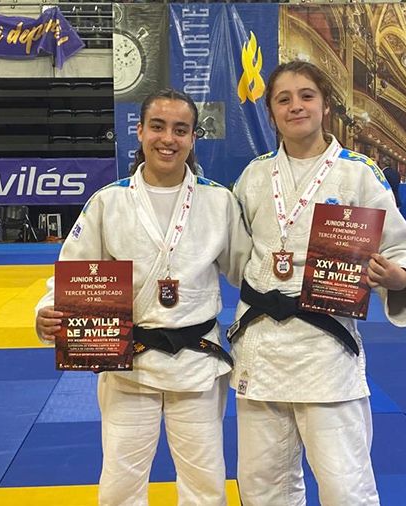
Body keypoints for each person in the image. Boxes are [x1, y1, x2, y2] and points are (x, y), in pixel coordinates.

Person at [35, 89, 250, 505]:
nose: (168, 138)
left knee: (206, 484)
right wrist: (47, 312)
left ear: (193, 138)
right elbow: (73, 272)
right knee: (120, 484)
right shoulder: (108, 201)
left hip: (197, 362)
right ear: (140, 131)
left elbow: (248, 271)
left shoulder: (218, 201)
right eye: (158, 126)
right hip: (129, 362)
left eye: (180, 130)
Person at [230, 60, 406, 506]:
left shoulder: (358, 173)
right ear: (271, 113)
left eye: (306, 96)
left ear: (326, 106)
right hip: (260, 346)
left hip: (325, 347)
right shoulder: (254, 175)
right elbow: (233, 253)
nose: (295, 106)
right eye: (283, 99)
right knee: (262, 485)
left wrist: (396, 277)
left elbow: (399, 247)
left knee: (344, 486)